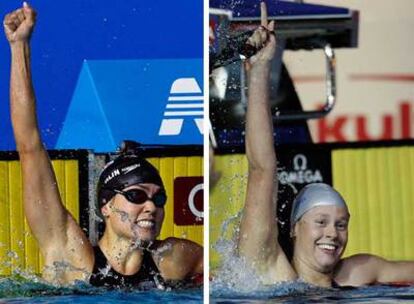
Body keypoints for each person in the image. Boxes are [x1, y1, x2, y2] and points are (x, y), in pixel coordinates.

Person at [4, 2, 202, 288]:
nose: (151, 207)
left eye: (158, 199)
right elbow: (29, 145)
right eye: (136, 196)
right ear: (106, 206)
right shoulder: (73, 261)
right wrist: (19, 46)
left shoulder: (171, 260)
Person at [238, 2, 414, 288]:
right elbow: (262, 168)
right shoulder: (269, 268)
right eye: (321, 222)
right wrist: (259, 71)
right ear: (295, 228)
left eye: (340, 224)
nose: (332, 233)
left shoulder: (355, 273)